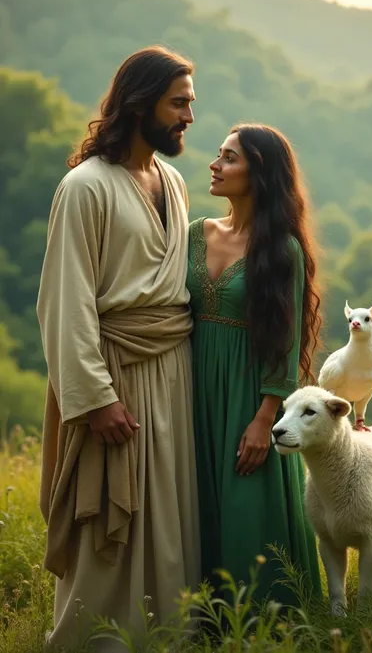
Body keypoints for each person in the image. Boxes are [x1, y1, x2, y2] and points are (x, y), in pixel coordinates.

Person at [37, 45, 200, 650]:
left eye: (191, 104)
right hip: (116, 377)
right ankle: (98, 641)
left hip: (174, 372)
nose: (188, 116)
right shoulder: (85, 187)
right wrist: (95, 397)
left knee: (170, 519)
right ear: (140, 103)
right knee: (113, 521)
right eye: (178, 103)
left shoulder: (174, 181)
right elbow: (65, 301)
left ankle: (170, 637)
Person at [187, 123, 323, 607]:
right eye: (219, 154)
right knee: (195, 511)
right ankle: (200, 623)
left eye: (229, 157)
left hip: (249, 400)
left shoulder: (282, 250)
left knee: (247, 513)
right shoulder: (192, 234)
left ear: (258, 172)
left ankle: (264, 626)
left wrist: (265, 421)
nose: (215, 163)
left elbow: (285, 345)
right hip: (190, 392)